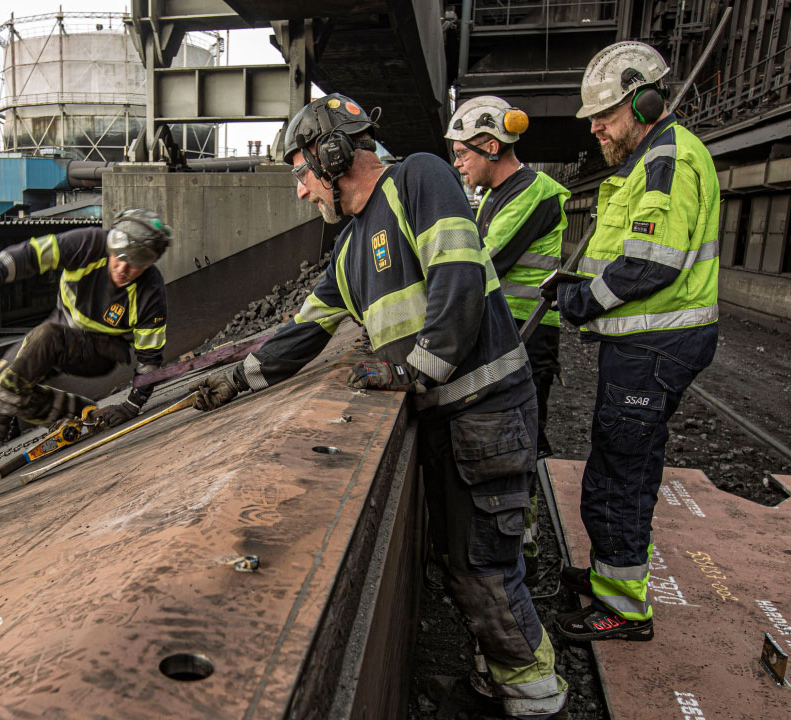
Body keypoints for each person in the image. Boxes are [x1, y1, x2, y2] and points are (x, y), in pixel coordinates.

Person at [194, 94, 568, 719]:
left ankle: (538, 697)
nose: (300, 191)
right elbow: (305, 330)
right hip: (453, 417)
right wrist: (237, 379)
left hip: (487, 410)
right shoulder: (348, 249)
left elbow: (459, 277)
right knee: (461, 561)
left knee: (484, 568)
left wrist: (412, 368)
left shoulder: (419, 178)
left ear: (333, 155)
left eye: (301, 174)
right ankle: (499, 676)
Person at [548, 41, 720, 643]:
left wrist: (580, 301)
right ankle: (606, 577)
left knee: (622, 471)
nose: (595, 127)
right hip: (647, 345)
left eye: (605, 114)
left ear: (645, 103)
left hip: (657, 347)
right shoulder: (652, 158)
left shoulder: (666, 161)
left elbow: (651, 263)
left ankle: (623, 608)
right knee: (616, 461)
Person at [446, 96, 570, 584]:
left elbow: (482, 265)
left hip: (528, 335)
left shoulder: (534, 194)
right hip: (508, 334)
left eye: (463, 154)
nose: (458, 164)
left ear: (491, 145)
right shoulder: (498, 195)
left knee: (522, 443)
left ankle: (527, 549)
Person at [0, 209, 172, 439]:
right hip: (60, 326)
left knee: (39, 348)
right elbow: (31, 254)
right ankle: (81, 413)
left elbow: (149, 359)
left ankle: (0, 414)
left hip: (99, 352)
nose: (123, 269)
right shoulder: (88, 244)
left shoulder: (150, 291)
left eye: (134, 264)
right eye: (119, 257)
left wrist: (132, 405)